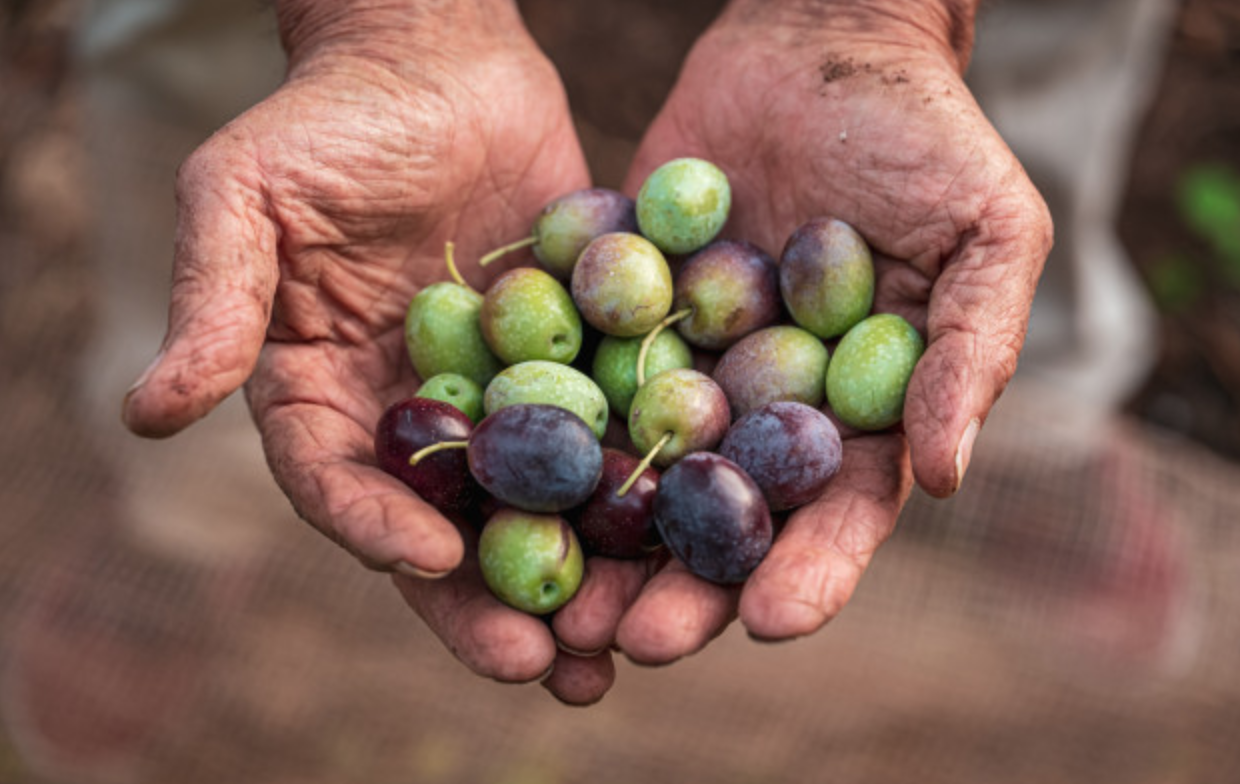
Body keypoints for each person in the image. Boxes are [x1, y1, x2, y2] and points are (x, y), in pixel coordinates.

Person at [118, 0, 1053, 705]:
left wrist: (864, 18)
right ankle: (176, 523)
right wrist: (387, 25)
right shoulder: (576, 380)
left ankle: (1063, 431)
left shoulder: (690, 362)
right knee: (221, 227)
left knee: (1032, 110)